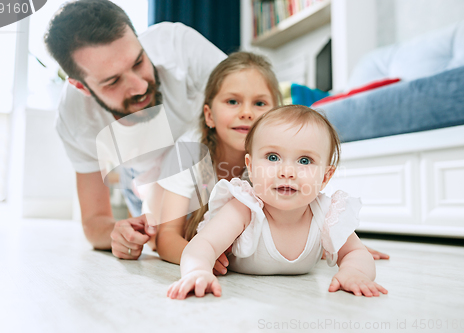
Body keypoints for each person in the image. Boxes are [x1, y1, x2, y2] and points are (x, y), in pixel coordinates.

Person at [44, 0, 226, 259]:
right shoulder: (74, 119)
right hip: (143, 178)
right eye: (113, 81)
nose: (140, 86)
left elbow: (255, 102)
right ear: (81, 87)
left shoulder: (178, 45)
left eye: (138, 61)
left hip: (214, 159)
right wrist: (117, 233)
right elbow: (95, 222)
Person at [167, 105, 388, 299]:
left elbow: (355, 253)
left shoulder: (326, 212)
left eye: (304, 160)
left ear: (325, 177)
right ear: (251, 167)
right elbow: (202, 245)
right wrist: (198, 271)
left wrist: (355, 272)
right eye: (273, 157)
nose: (287, 172)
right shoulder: (245, 208)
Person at [154, 52, 282, 275]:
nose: (246, 113)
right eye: (233, 101)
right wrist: (200, 256)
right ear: (209, 115)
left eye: (259, 103)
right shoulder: (188, 151)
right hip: (158, 202)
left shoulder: (280, 159)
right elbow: (166, 237)